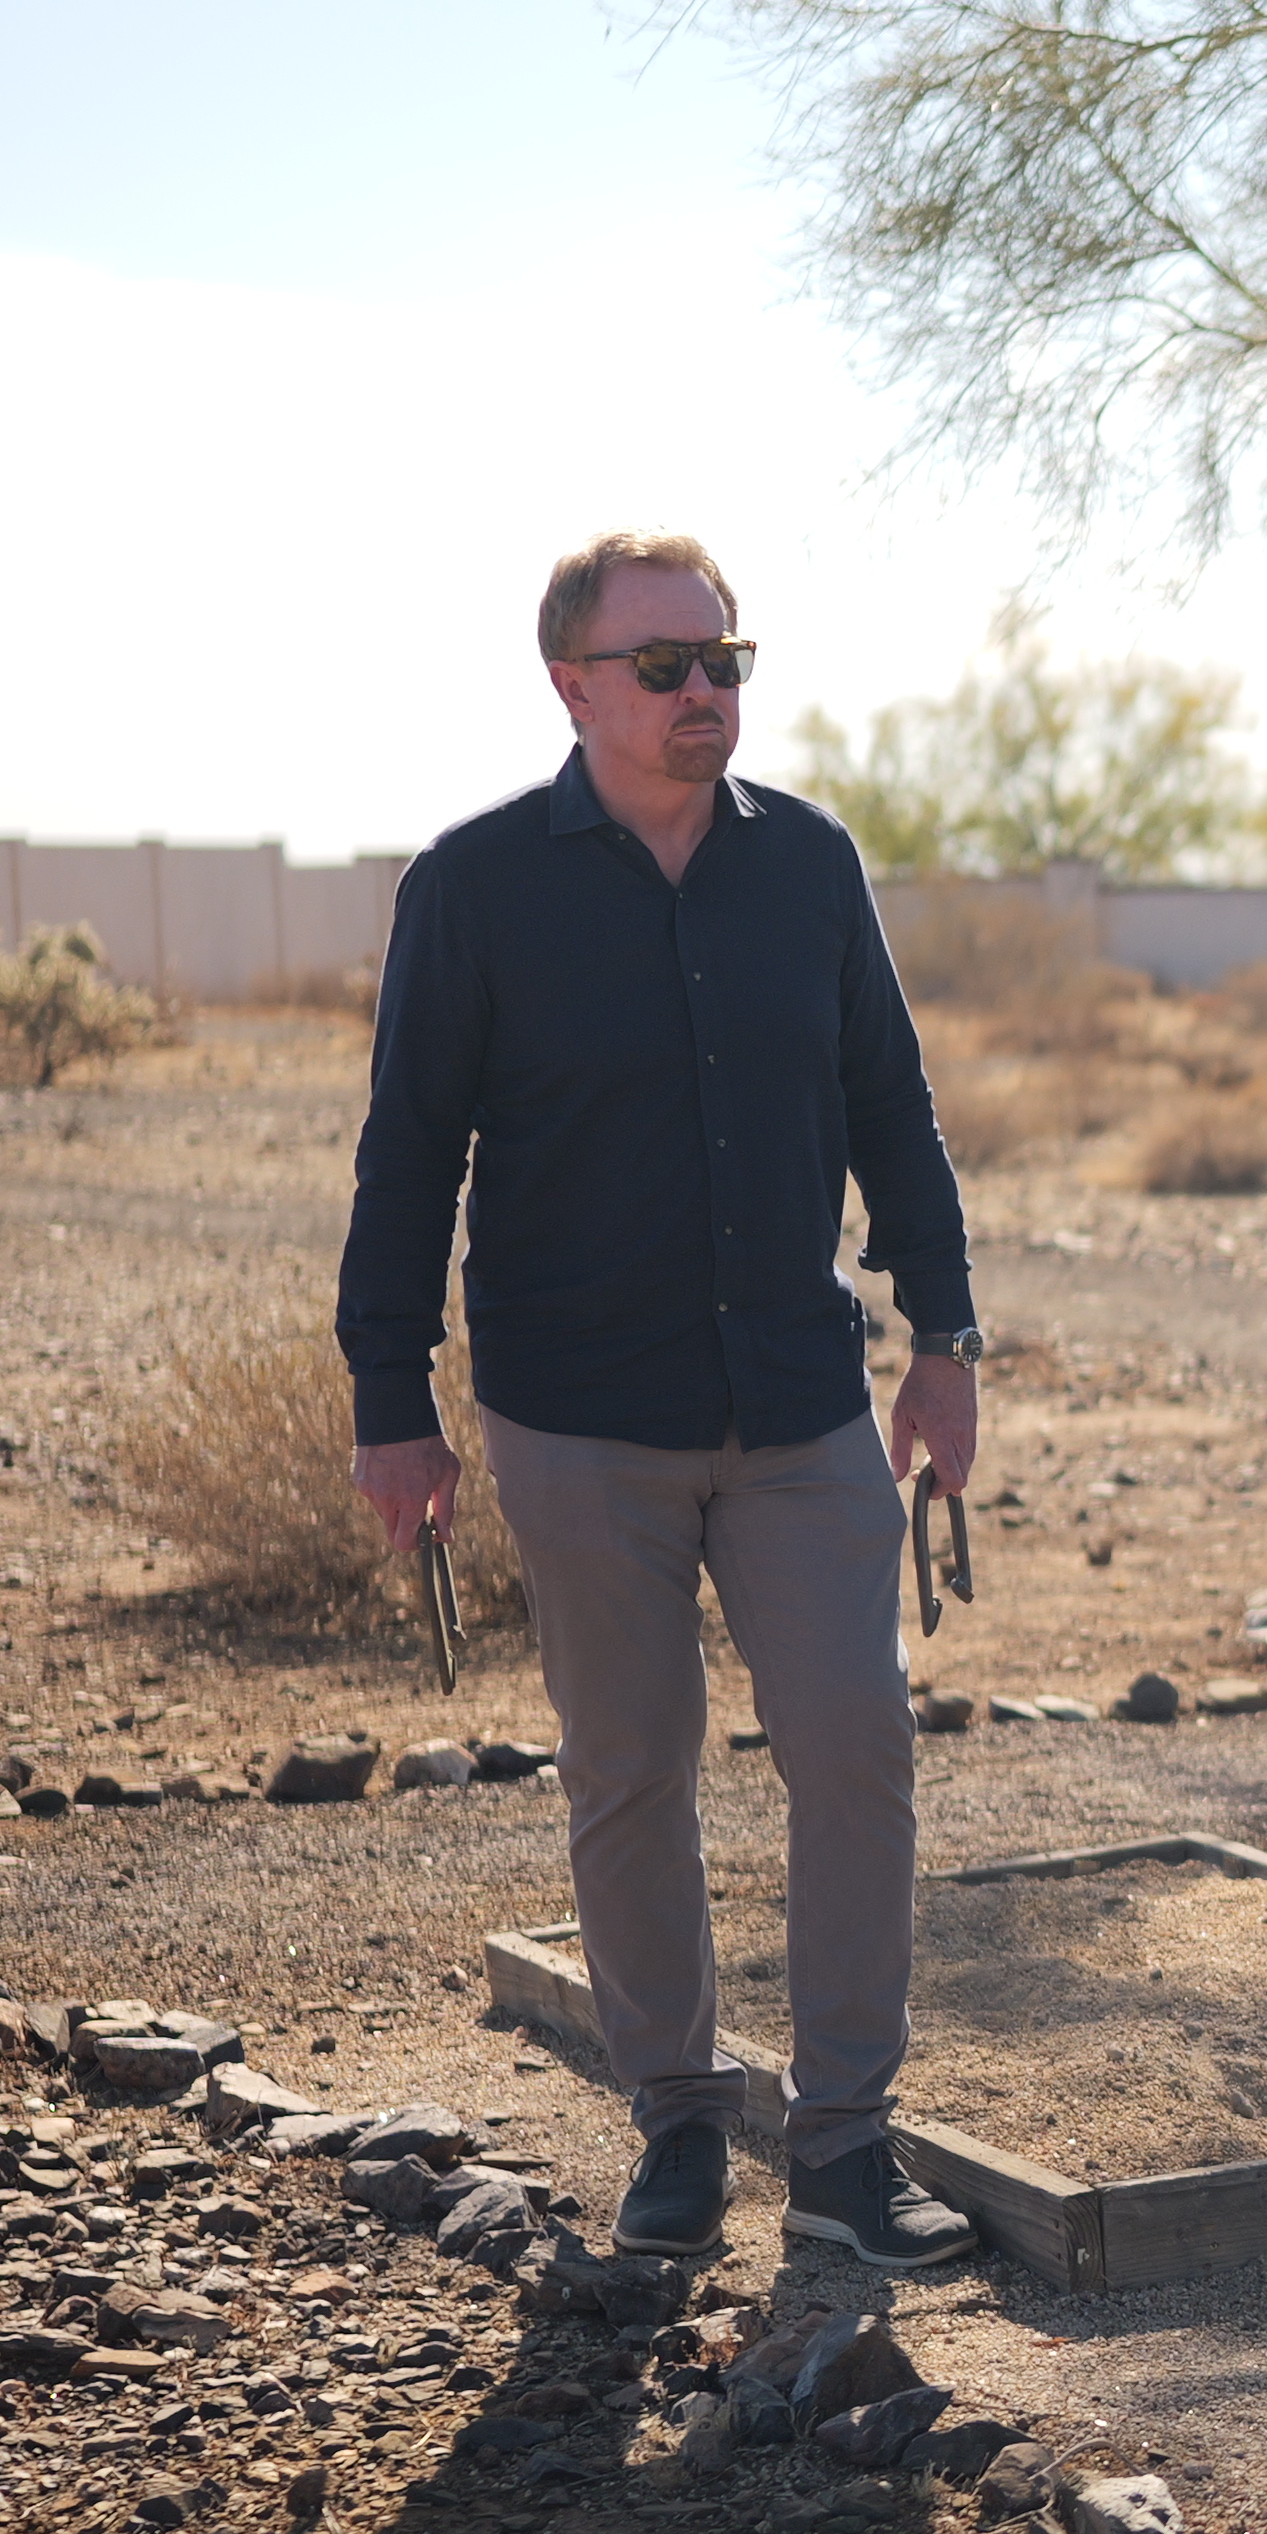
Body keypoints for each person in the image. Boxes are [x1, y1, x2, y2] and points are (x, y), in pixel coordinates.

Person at [336, 529, 986, 2272]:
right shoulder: (471, 889)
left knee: (855, 1752)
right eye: (668, 666)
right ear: (573, 685)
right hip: (578, 1418)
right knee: (631, 1773)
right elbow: (408, 1157)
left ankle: (846, 2149)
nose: (707, 692)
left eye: (727, 661)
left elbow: (891, 1110)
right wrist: (388, 1404)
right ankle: (680, 2123)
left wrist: (948, 1340)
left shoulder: (811, 868)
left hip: (799, 1402)